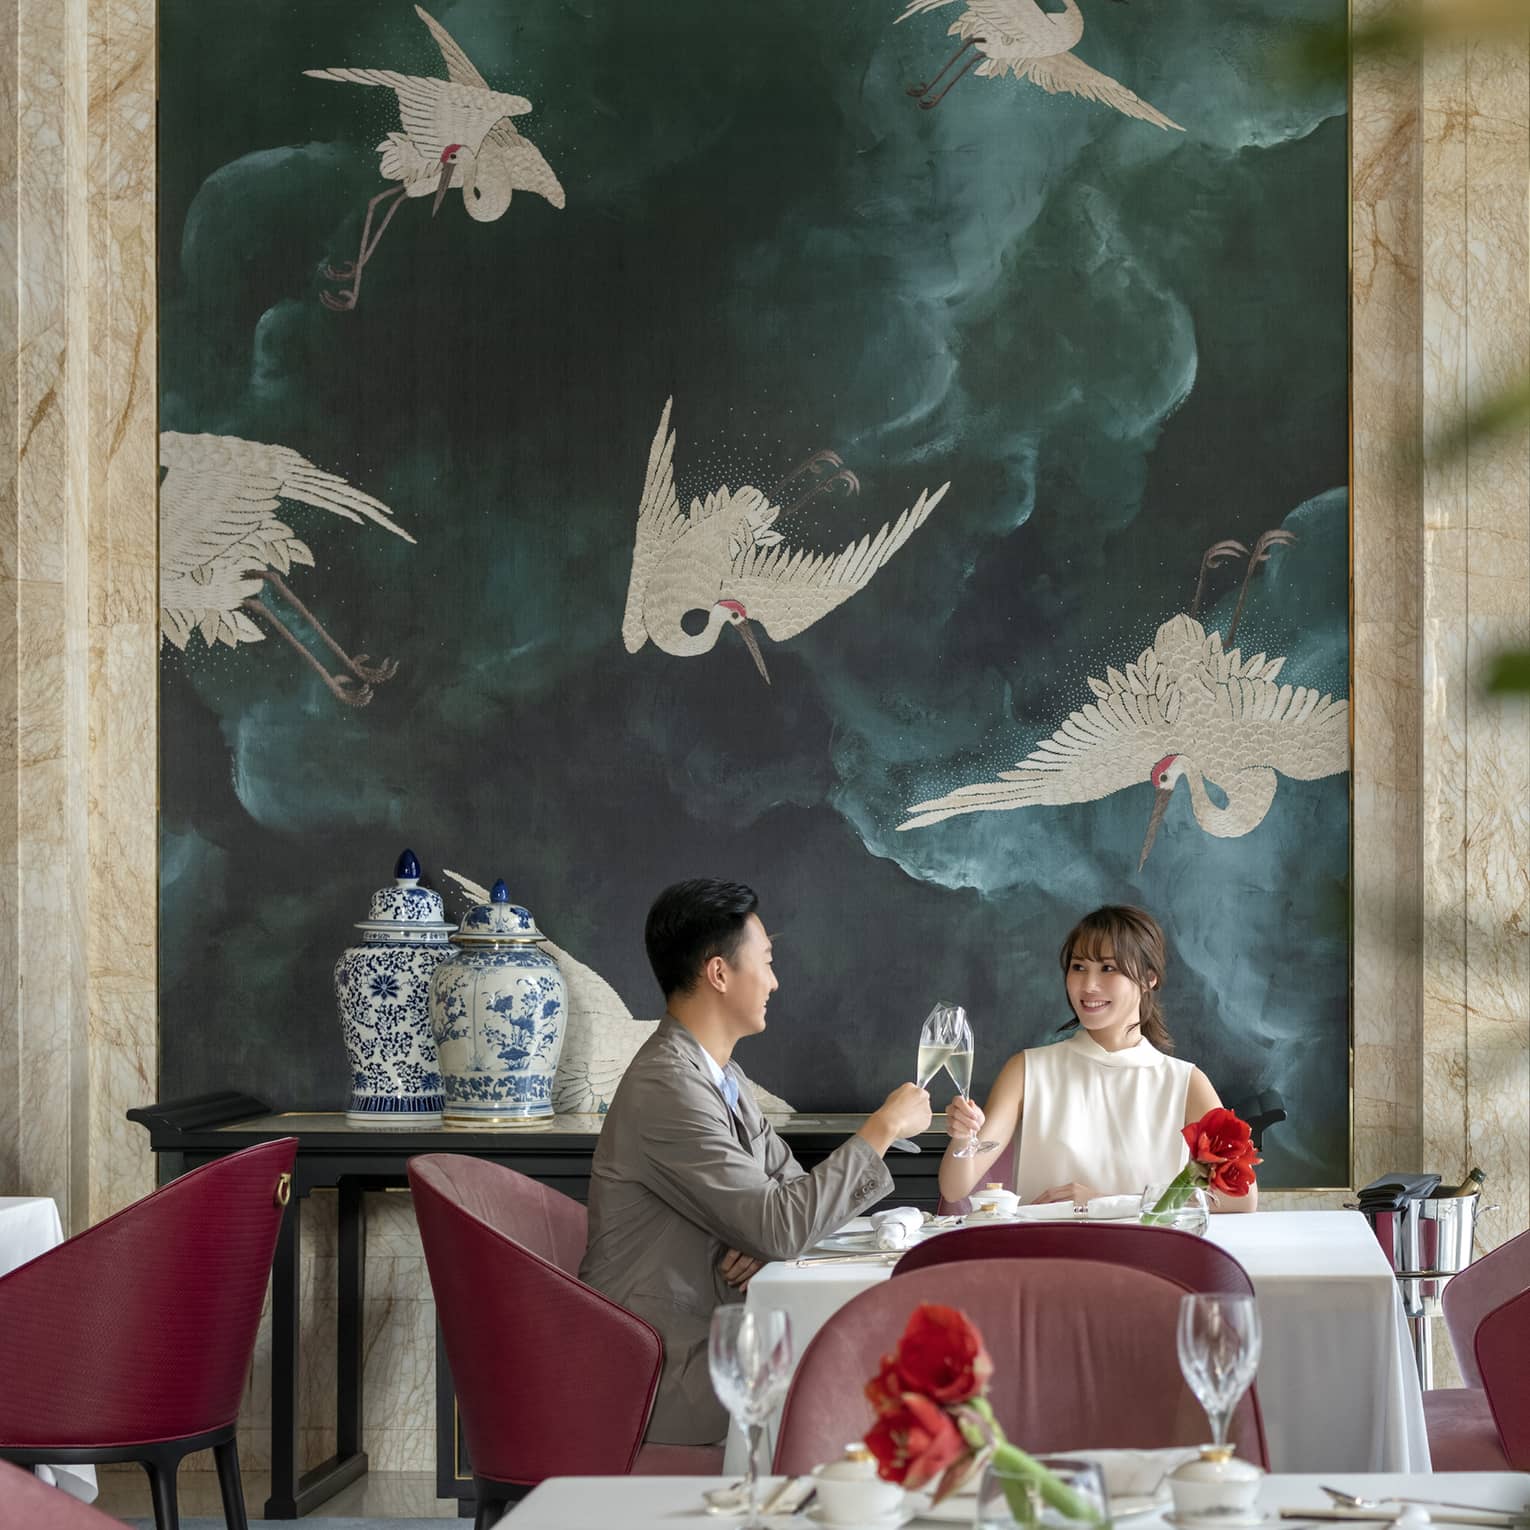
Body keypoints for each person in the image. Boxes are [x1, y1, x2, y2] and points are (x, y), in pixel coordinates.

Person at [579, 878, 933, 1446]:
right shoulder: (668, 1085)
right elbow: (785, 1221)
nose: (774, 981)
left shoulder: (722, 1078)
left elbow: (789, 1197)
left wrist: (768, 1227)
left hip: (713, 1340)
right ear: (719, 974)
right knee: (861, 1378)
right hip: (663, 1369)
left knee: (872, 1364)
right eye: (765, 962)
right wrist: (883, 1127)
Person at [937, 905, 1258, 1214]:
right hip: (1045, 1259)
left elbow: (1243, 1198)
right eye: (1079, 967)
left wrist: (1108, 1203)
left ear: (1149, 979)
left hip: (1148, 1262)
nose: (1088, 986)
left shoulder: (1185, 1082)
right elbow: (955, 1188)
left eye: (1108, 968)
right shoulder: (1026, 1070)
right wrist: (964, 1135)